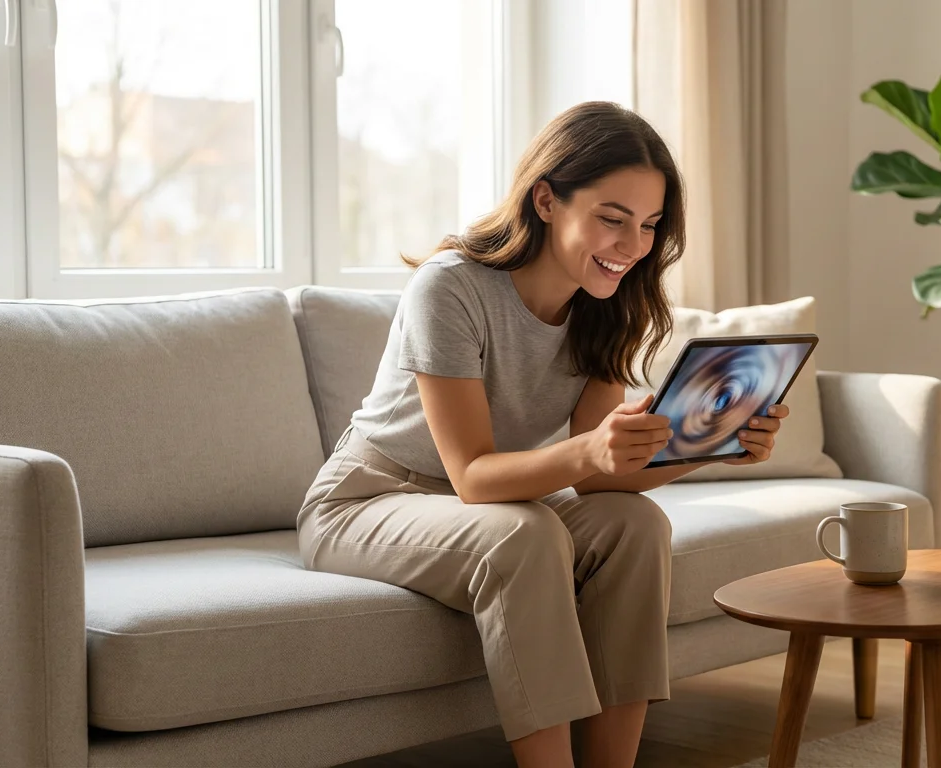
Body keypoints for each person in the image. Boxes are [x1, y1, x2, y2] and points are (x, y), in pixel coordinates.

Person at [297, 101, 790, 768]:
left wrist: (714, 445)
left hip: (496, 502)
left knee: (635, 526)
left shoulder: (607, 306)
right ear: (546, 200)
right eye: (612, 220)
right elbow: (473, 476)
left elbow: (597, 475)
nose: (631, 246)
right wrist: (588, 449)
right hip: (371, 498)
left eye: (647, 226)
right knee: (524, 535)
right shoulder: (452, 289)